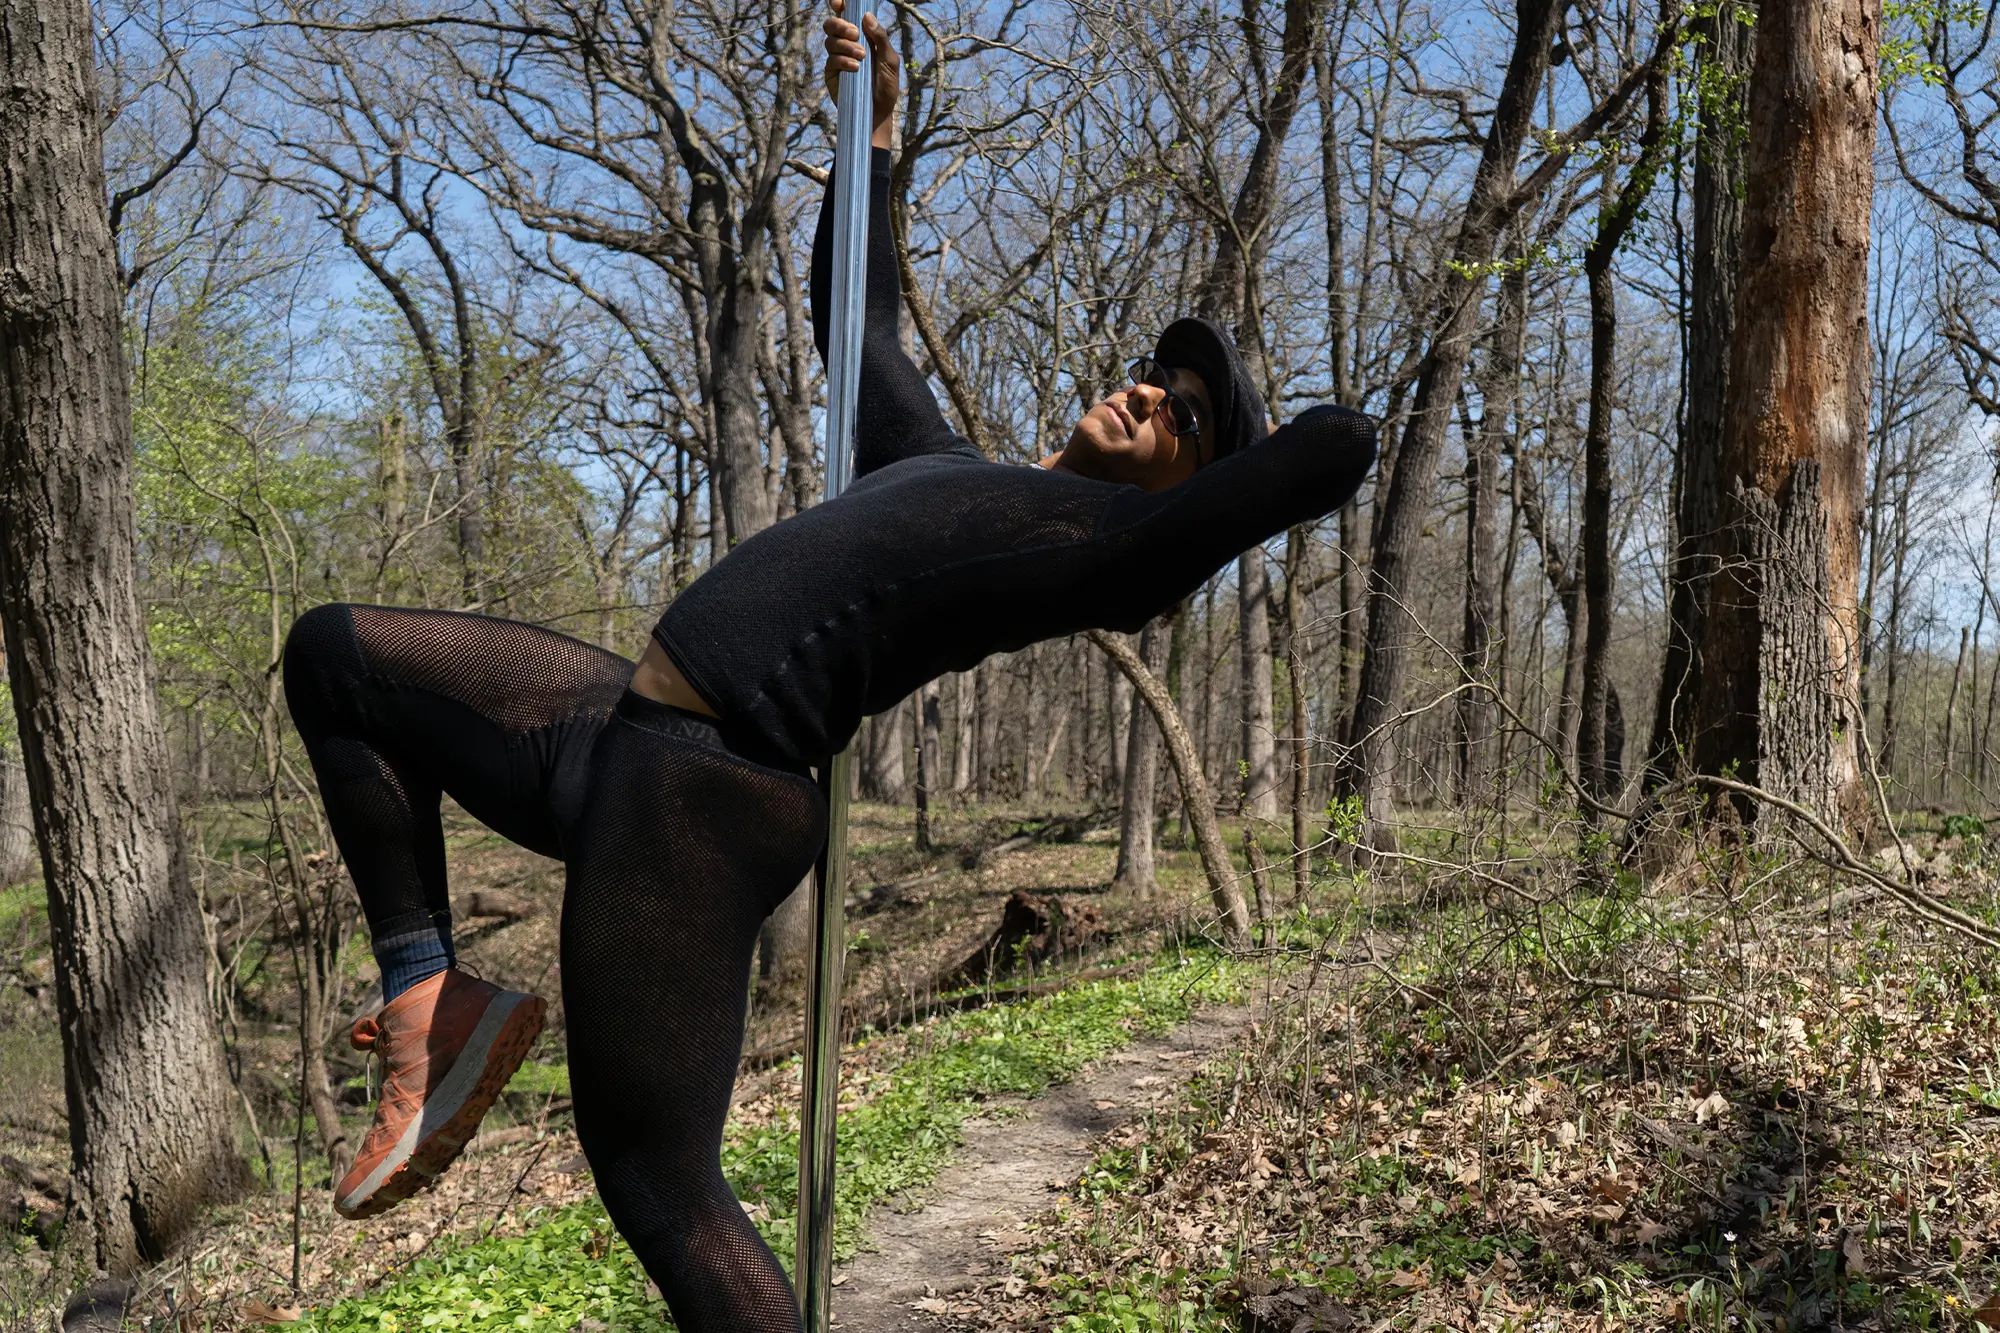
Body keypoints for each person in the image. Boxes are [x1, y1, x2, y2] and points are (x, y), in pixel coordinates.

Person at [280, 3, 1376, 1325]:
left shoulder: (1109, 545)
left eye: (1181, 416)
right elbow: (855, 319)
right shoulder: (946, 468)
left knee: (662, 1186)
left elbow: (1323, 454)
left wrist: (1244, 481)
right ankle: (429, 996)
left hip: (705, 789)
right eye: (1155, 374)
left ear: (1187, 482)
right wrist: (876, 147)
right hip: (627, 734)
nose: (1148, 391)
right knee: (337, 657)